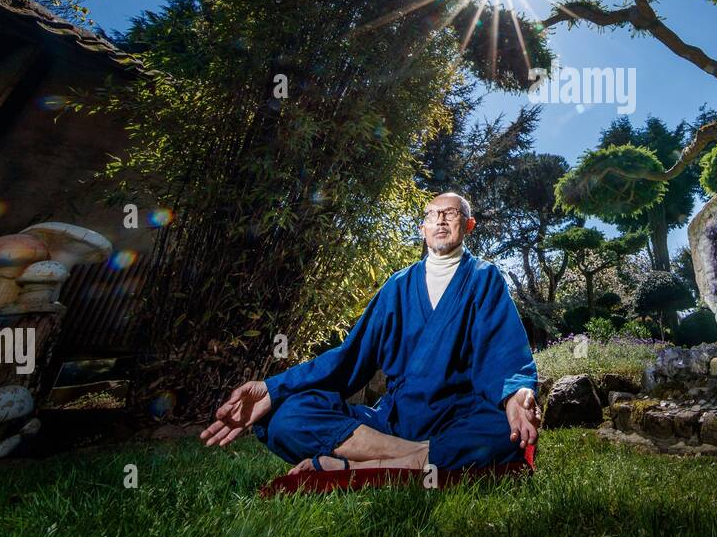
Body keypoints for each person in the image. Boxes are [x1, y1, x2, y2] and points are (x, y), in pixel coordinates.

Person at [200, 192, 541, 474]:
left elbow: (504, 355)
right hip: (392, 422)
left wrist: (516, 397)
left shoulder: (484, 279)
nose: (439, 220)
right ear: (422, 227)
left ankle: (360, 467)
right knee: (289, 417)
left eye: (449, 214)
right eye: (431, 214)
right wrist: (273, 389)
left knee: (502, 433)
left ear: (467, 226)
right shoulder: (397, 287)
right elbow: (349, 359)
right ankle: (414, 460)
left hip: (457, 419)